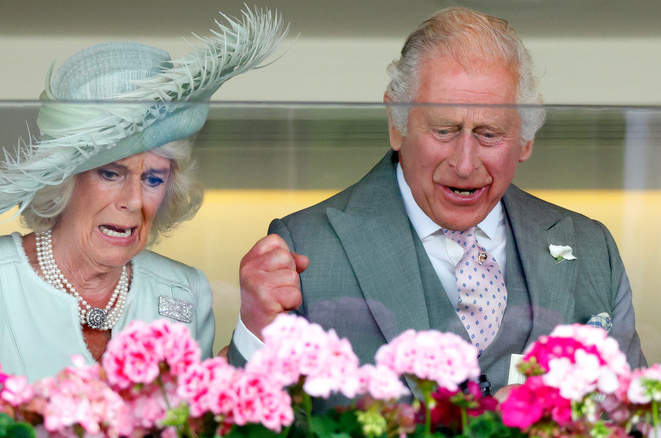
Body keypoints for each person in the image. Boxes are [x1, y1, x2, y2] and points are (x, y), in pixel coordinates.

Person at [227, 7, 646, 401]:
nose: (464, 165)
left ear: (526, 137)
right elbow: (250, 419)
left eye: (490, 134)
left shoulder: (592, 248)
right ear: (397, 123)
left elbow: (636, 418)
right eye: (444, 129)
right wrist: (255, 328)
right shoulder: (305, 248)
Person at [0, 7, 288, 420]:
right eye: (111, 173)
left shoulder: (184, 290)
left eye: (153, 178)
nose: (135, 201)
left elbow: (199, 424)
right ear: (64, 180)